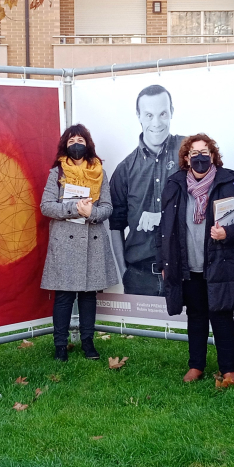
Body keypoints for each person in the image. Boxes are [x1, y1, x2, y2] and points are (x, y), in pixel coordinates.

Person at [158, 134, 234, 384]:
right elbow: (166, 228)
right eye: (194, 153)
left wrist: (227, 233)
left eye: (204, 152)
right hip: (188, 266)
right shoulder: (174, 185)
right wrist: (164, 263)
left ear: (212, 155)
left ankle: (229, 368)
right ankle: (196, 365)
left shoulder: (229, 182)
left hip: (220, 263)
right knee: (196, 315)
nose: (199, 157)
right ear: (186, 158)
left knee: (222, 316)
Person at [40, 124, 119, 362]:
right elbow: (46, 206)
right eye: (72, 139)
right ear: (65, 144)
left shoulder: (99, 171)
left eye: (81, 140)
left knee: (88, 296)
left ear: (88, 144)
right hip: (65, 240)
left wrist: (90, 212)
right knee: (64, 296)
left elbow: (108, 207)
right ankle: (60, 346)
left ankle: (88, 342)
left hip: (92, 241)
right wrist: (73, 208)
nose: (77, 144)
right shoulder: (57, 172)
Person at [110, 85, 186, 296]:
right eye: (149, 115)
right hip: (139, 277)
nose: (156, 123)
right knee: (140, 331)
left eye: (162, 113)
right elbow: (115, 225)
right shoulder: (125, 169)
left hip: (185, 273)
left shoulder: (189, 153)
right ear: (139, 116)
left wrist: (163, 216)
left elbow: (203, 205)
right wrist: (124, 273)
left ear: (172, 111)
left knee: (188, 330)